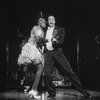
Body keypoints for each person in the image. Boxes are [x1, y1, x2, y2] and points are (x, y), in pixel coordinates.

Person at [43, 15, 91, 99]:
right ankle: (51, 93)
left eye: (52, 19)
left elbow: (61, 41)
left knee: (69, 72)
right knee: (47, 73)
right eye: (49, 19)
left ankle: (83, 91)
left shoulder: (60, 29)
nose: (51, 21)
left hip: (57, 52)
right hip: (48, 53)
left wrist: (56, 41)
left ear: (55, 21)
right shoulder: (44, 30)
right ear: (47, 21)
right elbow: (42, 41)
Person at [17, 11, 46, 99]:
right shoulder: (36, 27)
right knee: (39, 68)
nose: (42, 22)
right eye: (40, 20)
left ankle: (32, 89)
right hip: (31, 48)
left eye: (43, 20)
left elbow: (40, 42)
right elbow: (39, 39)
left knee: (37, 68)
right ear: (38, 21)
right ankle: (33, 89)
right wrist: (48, 40)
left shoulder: (41, 30)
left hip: (34, 48)